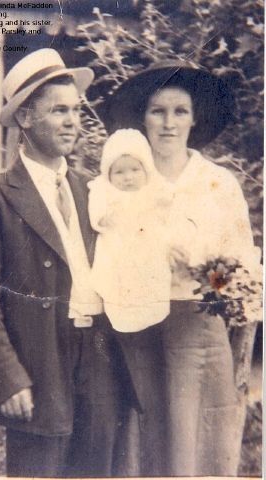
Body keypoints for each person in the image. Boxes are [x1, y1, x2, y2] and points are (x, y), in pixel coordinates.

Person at [0, 48, 138, 478]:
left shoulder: (92, 189)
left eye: (76, 110)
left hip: (99, 361)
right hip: (39, 363)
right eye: (59, 111)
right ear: (25, 119)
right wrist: (7, 376)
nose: (73, 121)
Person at [100, 61, 261, 476]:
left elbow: (242, 267)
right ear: (143, 118)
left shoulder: (218, 183)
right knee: (142, 442)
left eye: (179, 112)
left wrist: (207, 270)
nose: (168, 124)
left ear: (194, 119)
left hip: (198, 332)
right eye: (158, 111)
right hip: (136, 328)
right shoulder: (125, 177)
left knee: (199, 444)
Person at [88, 128, 174, 333]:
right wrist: (103, 218)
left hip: (148, 250)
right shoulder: (103, 189)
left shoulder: (154, 188)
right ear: (108, 173)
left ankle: (152, 312)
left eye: (135, 170)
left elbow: (168, 204)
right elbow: (96, 213)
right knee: (117, 283)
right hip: (117, 250)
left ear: (147, 170)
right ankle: (123, 317)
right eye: (119, 172)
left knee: (151, 278)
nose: (128, 178)